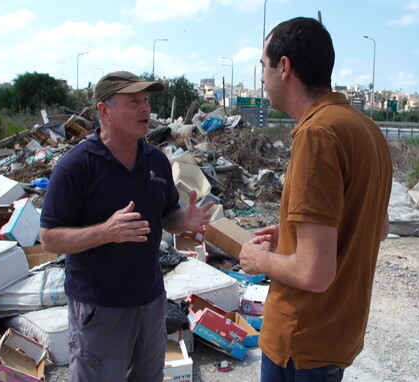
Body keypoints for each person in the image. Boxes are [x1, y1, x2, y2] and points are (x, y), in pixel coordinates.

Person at [239, 17, 393, 381]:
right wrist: (296, 235)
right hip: (336, 335)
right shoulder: (365, 128)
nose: (262, 78)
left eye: (264, 66)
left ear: (285, 67)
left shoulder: (317, 134)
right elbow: (377, 226)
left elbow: (313, 272)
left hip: (301, 342)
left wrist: (260, 259)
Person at [39, 71, 213, 382]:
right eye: (133, 102)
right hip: (99, 307)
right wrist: (106, 232)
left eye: (146, 100)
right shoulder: (77, 166)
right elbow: (49, 238)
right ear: (103, 111)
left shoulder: (156, 161)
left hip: (150, 301)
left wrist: (183, 221)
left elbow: (167, 215)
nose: (145, 108)